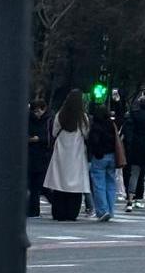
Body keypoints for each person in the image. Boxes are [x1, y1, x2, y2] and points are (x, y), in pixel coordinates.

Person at [44, 90, 90, 221]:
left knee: (59, 183)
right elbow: (86, 134)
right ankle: (72, 213)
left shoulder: (60, 115)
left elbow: (54, 133)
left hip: (61, 152)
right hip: (76, 153)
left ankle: (58, 212)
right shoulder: (83, 117)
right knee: (75, 186)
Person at [122, 94, 145, 213]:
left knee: (134, 175)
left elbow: (128, 132)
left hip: (136, 148)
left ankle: (130, 201)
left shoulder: (133, 115)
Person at [86, 104, 118, 222]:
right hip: (112, 156)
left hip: (100, 157)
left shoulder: (96, 126)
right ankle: (110, 210)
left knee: (99, 185)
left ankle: (102, 211)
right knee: (111, 184)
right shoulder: (111, 124)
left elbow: (93, 141)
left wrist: (95, 152)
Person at [27, 99, 51, 217]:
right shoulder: (30, 120)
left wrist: (39, 139)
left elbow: (50, 138)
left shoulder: (48, 121)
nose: (37, 113)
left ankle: (34, 209)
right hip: (33, 156)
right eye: (35, 111)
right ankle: (33, 209)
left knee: (39, 185)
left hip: (42, 156)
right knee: (34, 186)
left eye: (39, 111)